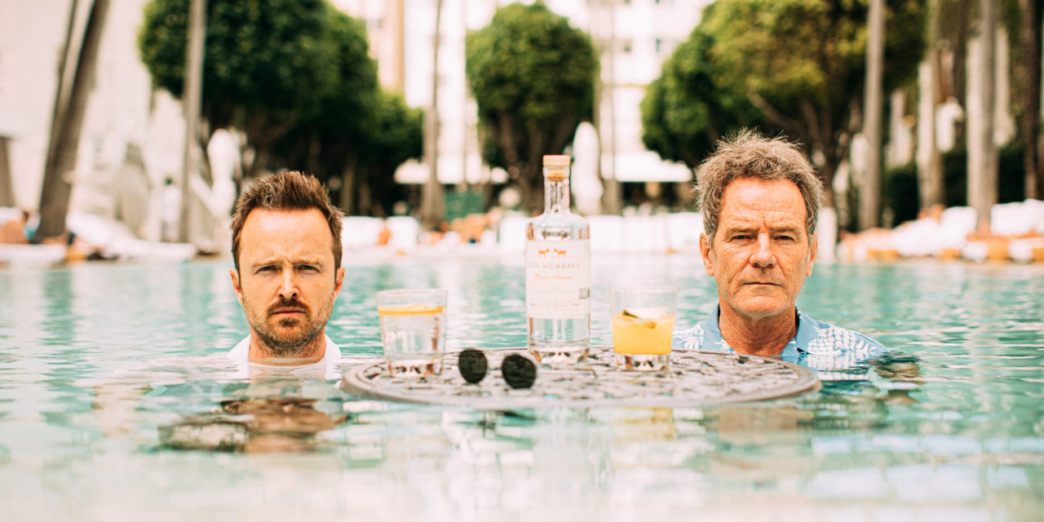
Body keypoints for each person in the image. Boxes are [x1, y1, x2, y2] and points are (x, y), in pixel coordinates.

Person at [672, 131, 886, 371]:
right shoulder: (661, 362)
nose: (763, 257)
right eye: (742, 236)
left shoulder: (869, 362)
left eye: (784, 237)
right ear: (708, 254)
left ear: (811, 255)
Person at [226, 171, 345, 379]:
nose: (288, 289)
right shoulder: (199, 386)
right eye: (267, 268)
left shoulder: (373, 385)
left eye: (306, 267)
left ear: (337, 283)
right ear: (238, 286)